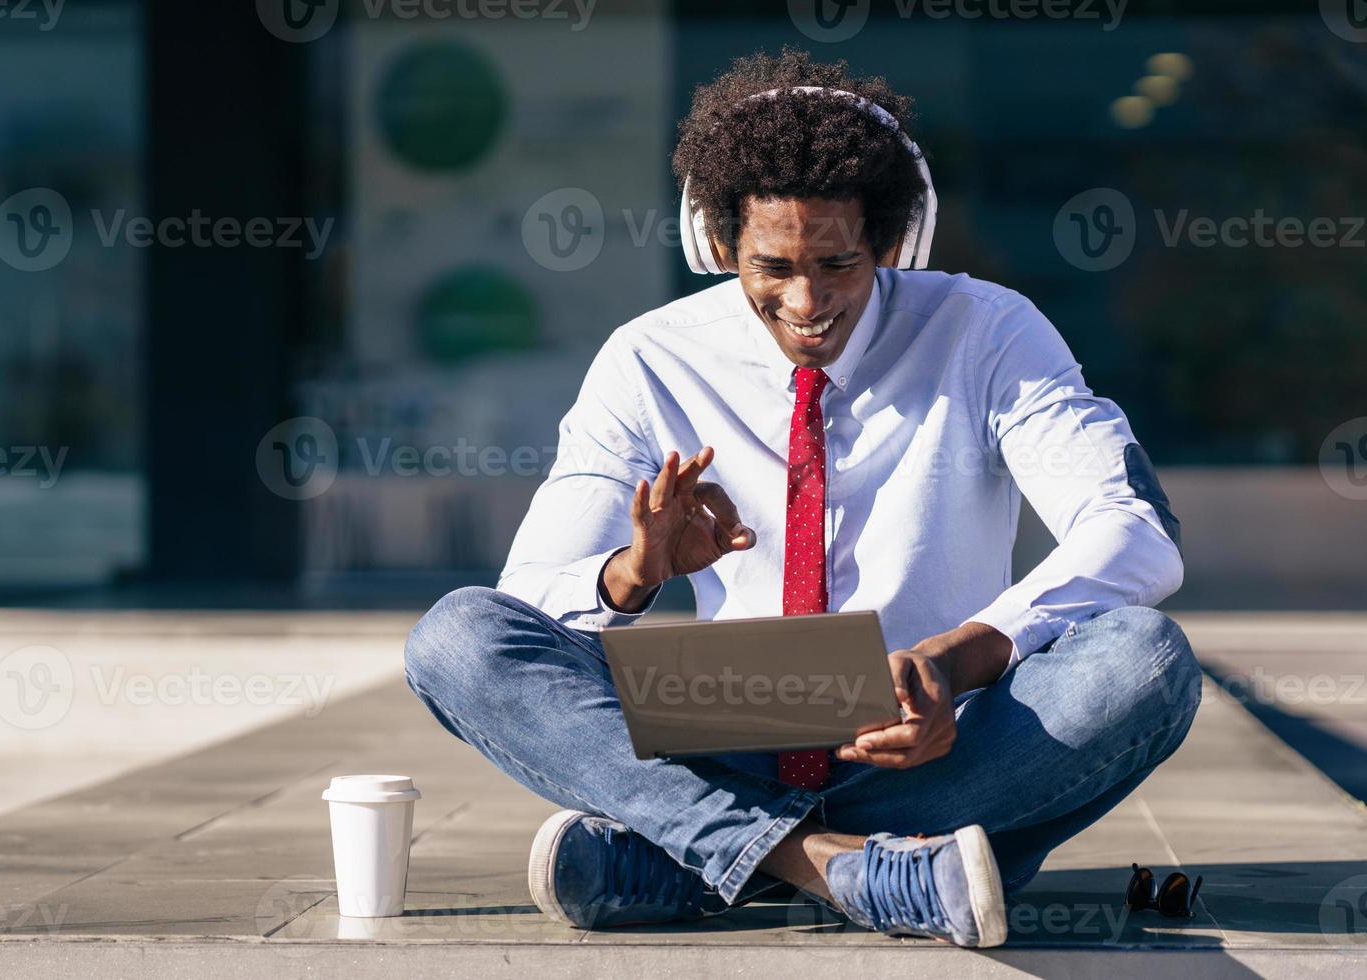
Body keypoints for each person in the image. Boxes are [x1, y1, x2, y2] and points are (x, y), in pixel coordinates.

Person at [404, 48, 1201, 949]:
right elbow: (526, 601)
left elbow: (1135, 530)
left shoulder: (986, 329)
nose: (807, 299)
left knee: (1146, 661)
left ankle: (694, 855)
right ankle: (847, 870)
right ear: (717, 246)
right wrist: (634, 573)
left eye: (838, 263)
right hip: (733, 710)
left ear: (892, 244)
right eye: (771, 266)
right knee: (458, 636)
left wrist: (956, 657)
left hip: (929, 732)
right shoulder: (649, 359)